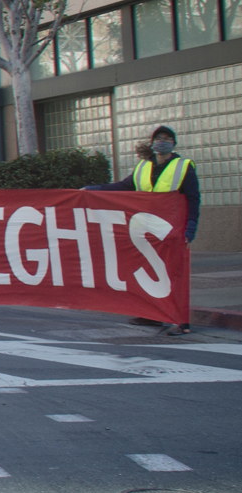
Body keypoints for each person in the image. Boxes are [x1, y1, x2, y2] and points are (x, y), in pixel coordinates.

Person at [86, 125, 199, 336]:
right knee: (147, 272)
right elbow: (124, 186)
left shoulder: (183, 166)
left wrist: (191, 225)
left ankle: (181, 322)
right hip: (146, 229)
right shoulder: (143, 167)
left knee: (174, 274)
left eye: (167, 138)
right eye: (159, 138)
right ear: (153, 142)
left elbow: (193, 198)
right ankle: (152, 315)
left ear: (174, 143)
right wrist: (94, 189)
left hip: (170, 229)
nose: (162, 142)